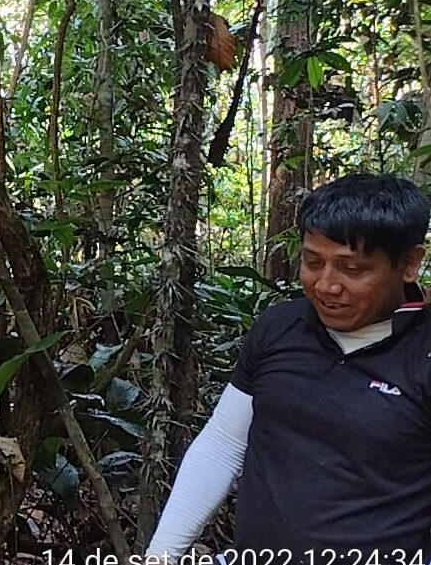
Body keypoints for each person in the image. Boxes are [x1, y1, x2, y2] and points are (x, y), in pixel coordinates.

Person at [146, 173, 431, 564]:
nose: (327, 286)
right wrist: (162, 555)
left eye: (352, 269)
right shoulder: (280, 326)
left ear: (409, 263)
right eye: (313, 262)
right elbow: (224, 444)